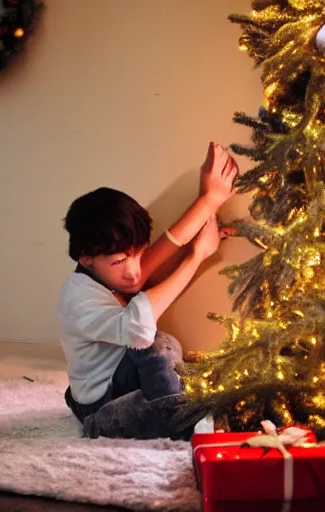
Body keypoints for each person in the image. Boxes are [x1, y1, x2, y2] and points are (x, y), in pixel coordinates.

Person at [57, 142, 238, 438]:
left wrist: (210, 200)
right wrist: (197, 256)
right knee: (156, 344)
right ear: (85, 258)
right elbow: (138, 327)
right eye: (119, 261)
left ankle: (170, 406)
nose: (134, 270)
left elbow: (165, 246)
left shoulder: (104, 273)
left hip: (111, 378)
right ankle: (161, 419)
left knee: (166, 351)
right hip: (99, 402)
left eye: (138, 254)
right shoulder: (77, 299)